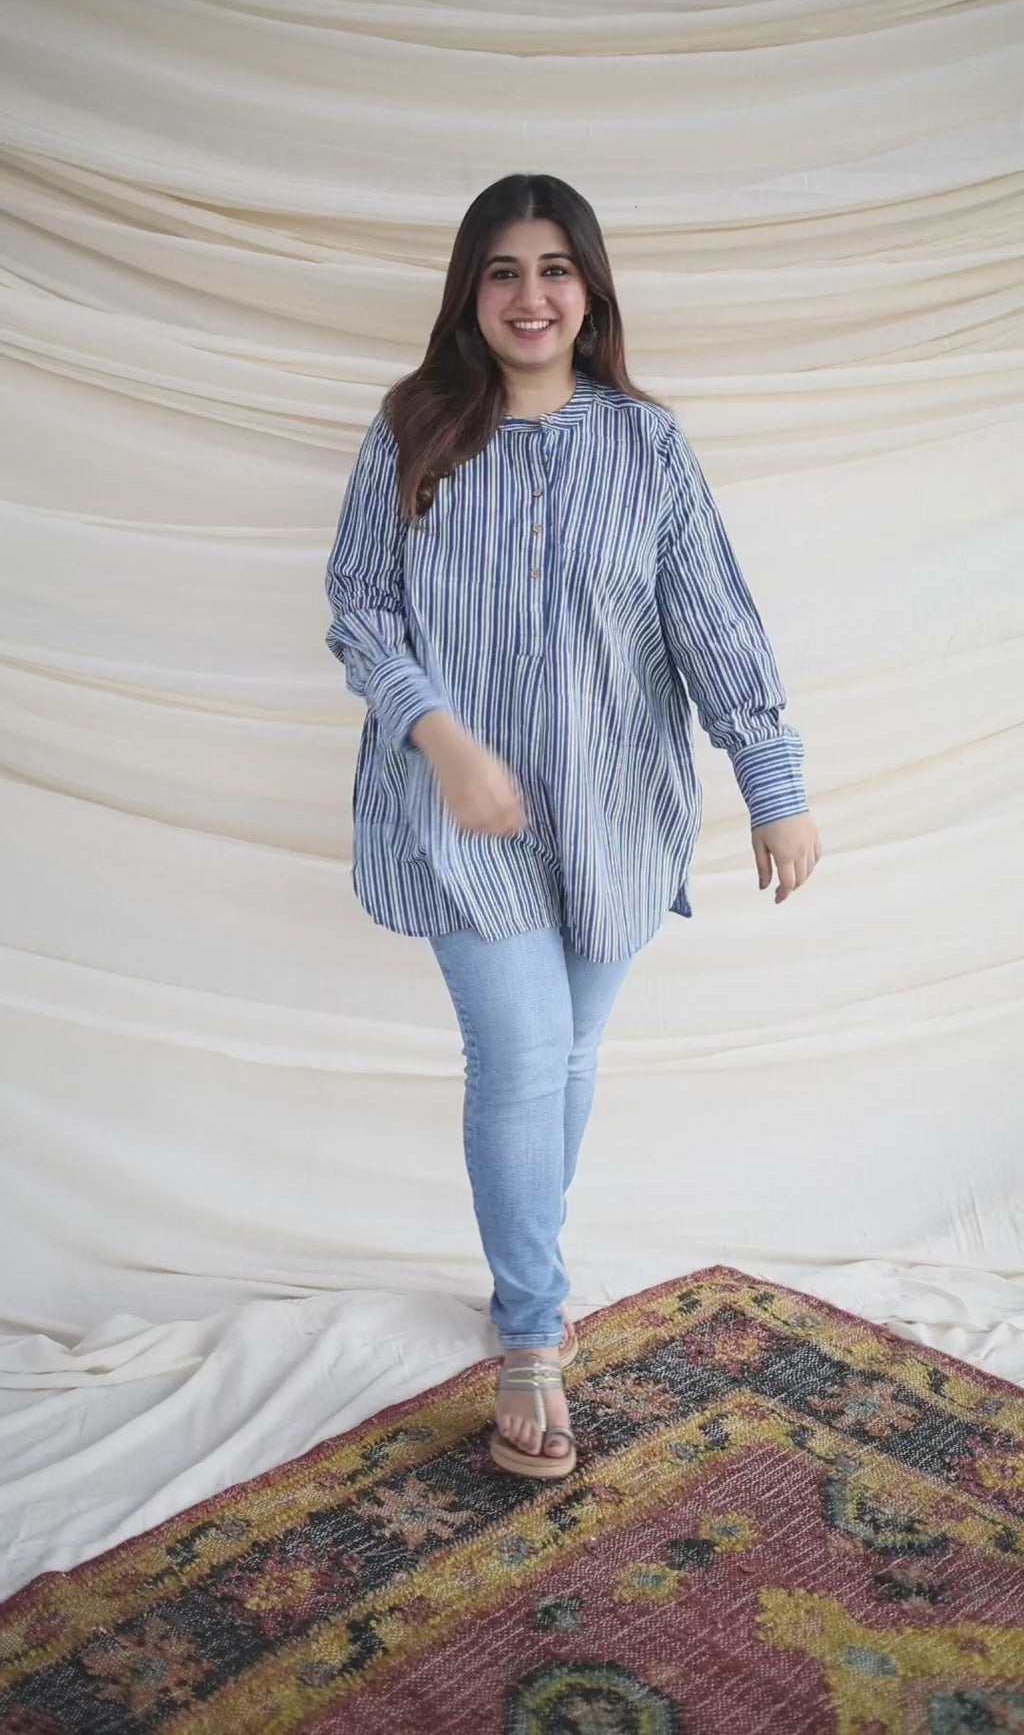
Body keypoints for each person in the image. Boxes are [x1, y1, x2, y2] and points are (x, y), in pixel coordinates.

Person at [324, 173, 822, 1483]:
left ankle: (521, 1284)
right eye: (503, 269)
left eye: (554, 268)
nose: (530, 294)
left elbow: (711, 617)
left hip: (616, 814)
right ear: (470, 293)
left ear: (590, 290)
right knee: (523, 1057)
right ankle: (534, 1334)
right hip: (460, 818)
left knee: (573, 1053)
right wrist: (443, 740)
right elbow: (362, 609)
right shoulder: (414, 429)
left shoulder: (648, 447)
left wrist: (773, 782)